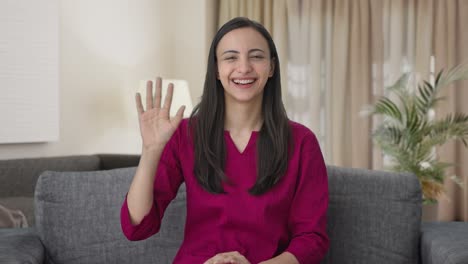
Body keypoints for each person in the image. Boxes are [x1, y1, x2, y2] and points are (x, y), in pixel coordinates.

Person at [120, 17, 329, 264]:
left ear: (271, 67)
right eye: (231, 57)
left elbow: (312, 238)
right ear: (217, 70)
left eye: (256, 56)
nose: (244, 67)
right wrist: (151, 150)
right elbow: (137, 226)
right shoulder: (185, 135)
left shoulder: (301, 141)